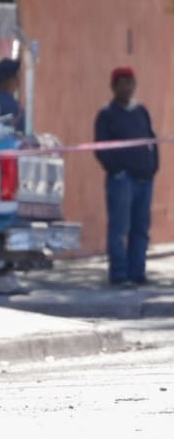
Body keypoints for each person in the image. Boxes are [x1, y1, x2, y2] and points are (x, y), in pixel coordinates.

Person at [94, 66, 159, 287]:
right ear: (114, 87)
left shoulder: (141, 111)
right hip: (122, 180)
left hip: (144, 179)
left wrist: (153, 167)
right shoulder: (106, 114)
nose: (128, 87)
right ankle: (119, 274)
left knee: (140, 228)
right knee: (120, 228)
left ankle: (138, 273)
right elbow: (100, 147)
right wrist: (117, 170)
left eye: (131, 82)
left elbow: (151, 139)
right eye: (123, 82)